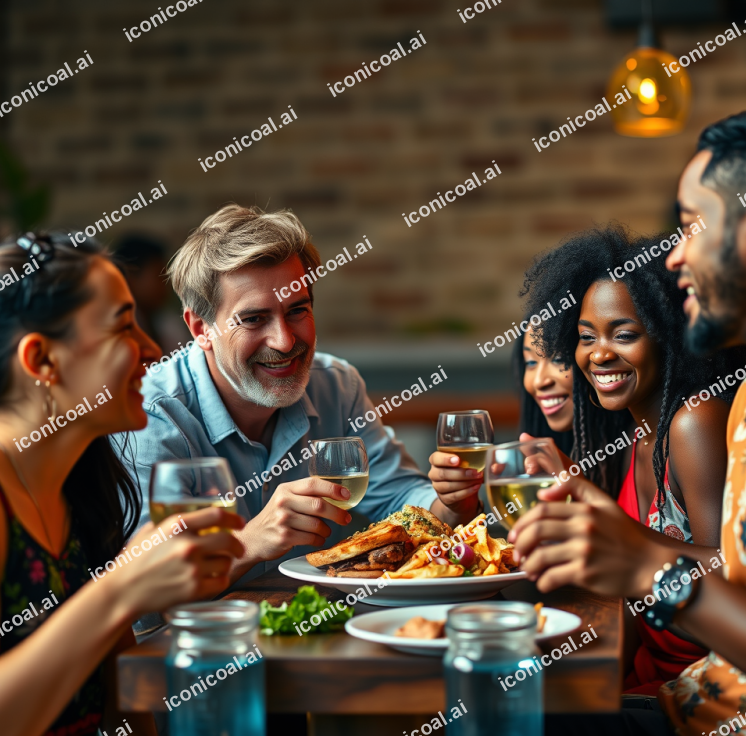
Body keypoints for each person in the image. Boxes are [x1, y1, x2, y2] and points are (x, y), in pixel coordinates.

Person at [510, 101, 746, 736]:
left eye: (693, 225)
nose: (675, 255)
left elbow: (703, 573)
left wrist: (645, 562)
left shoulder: (713, 415)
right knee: (503, 716)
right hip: (700, 717)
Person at [0, 233, 244, 736]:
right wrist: (119, 590)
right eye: (123, 327)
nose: (153, 349)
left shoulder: (81, 486)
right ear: (42, 360)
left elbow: (117, 707)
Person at [115, 205, 478, 587]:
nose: (284, 341)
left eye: (297, 311)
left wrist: (452, 504)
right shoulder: (151, 413)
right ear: (201, 329)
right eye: (253, 319)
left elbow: (401, 499)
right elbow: (143, 586)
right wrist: (250, 543)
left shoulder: (336, 386)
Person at [522, 225, 739, 695]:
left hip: (702, 686)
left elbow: (732, 571)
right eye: (586, 337)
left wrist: (614, 534)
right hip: (645, 673)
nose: (600, 353)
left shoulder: (693, 422)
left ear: (667, 335)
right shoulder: (636, 434)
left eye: (623, 335)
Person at [112, 233, 186, 354]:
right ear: (131, 277)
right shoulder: (112, 329)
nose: (166, 285)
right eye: (158, 276)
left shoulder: (168, 325)